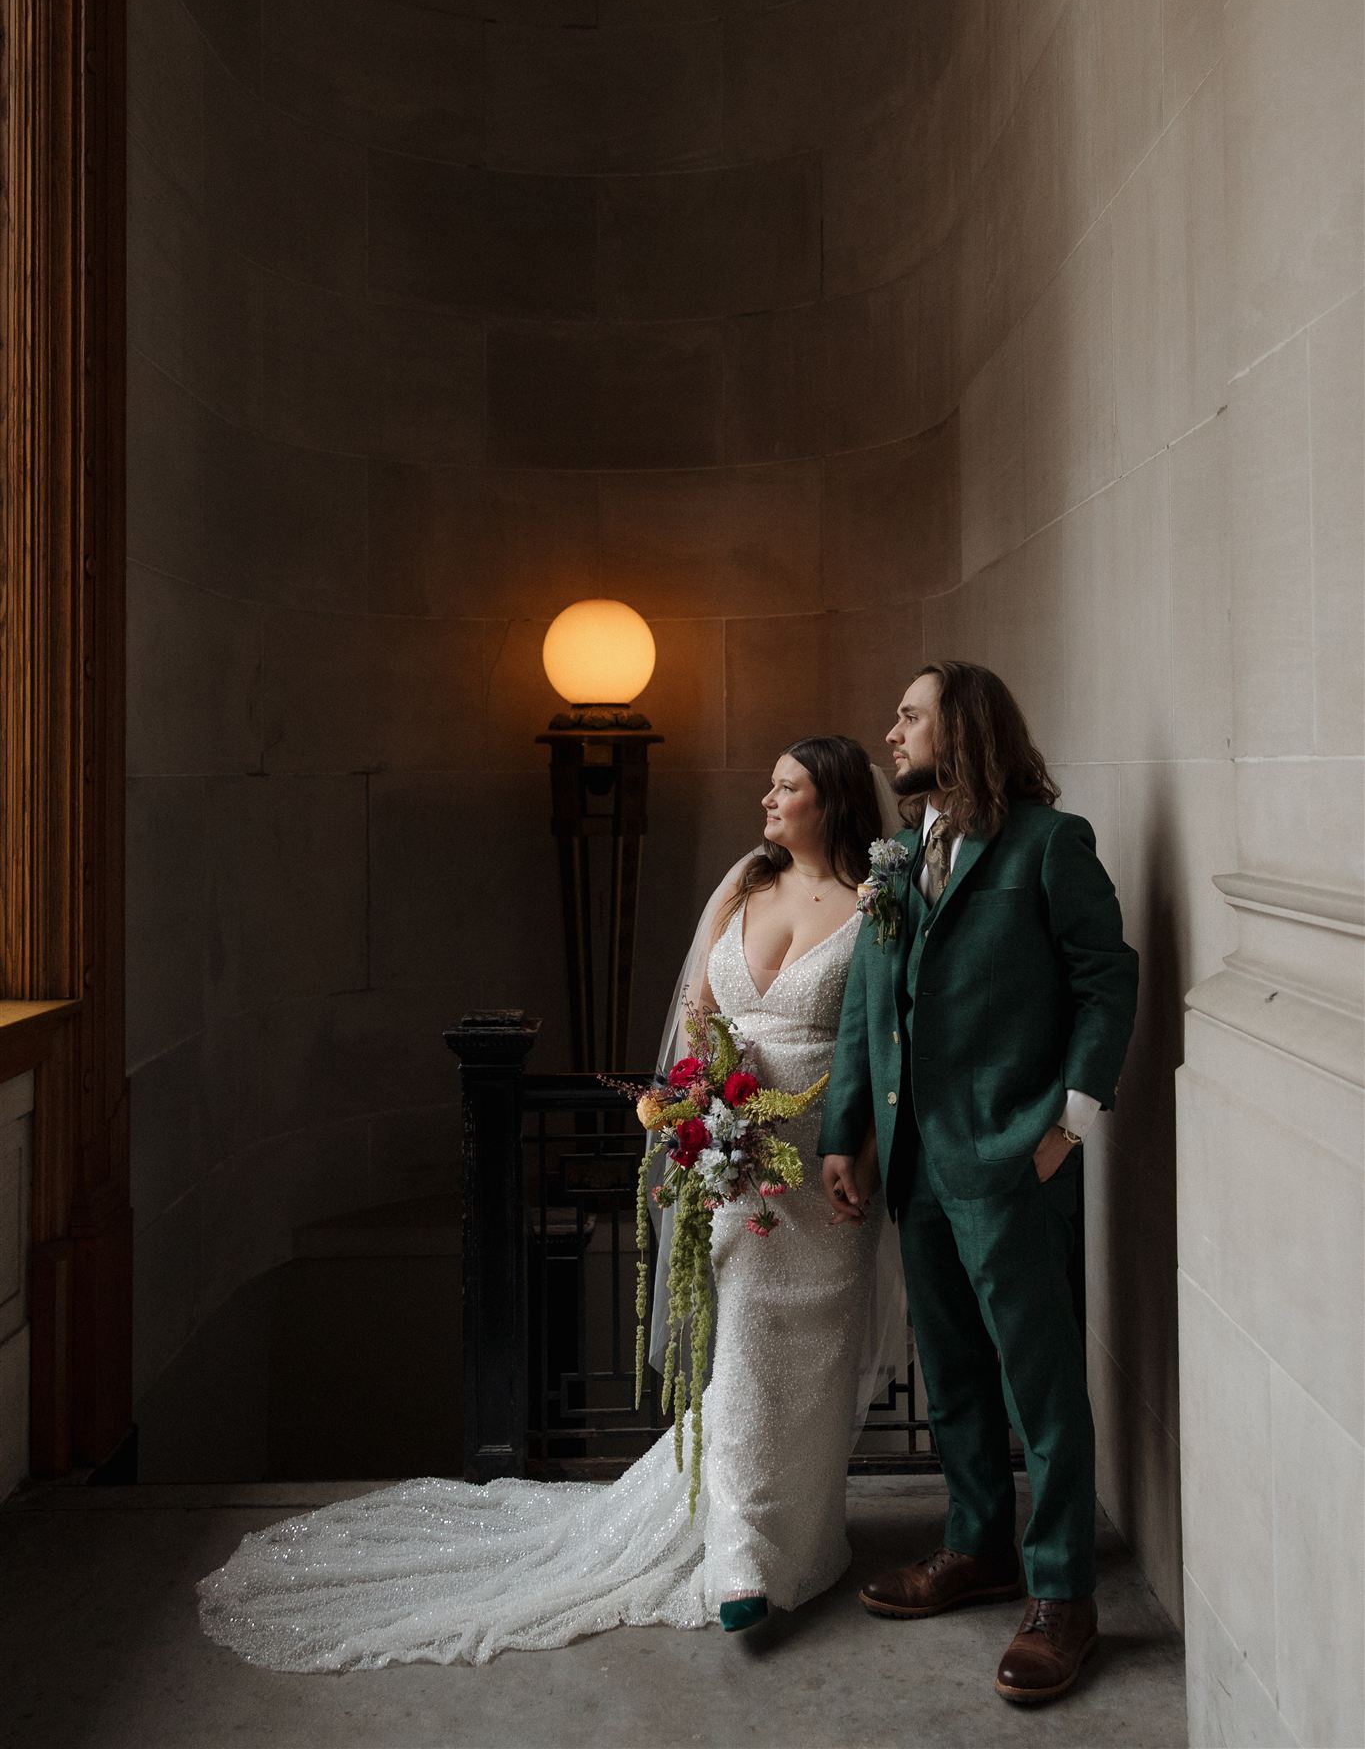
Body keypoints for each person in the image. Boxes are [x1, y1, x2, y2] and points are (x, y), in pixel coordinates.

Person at [197, 735, 905, 1670]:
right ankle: (739, 1556)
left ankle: (799, 1541)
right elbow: (697, 1015)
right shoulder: (744, 883)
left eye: (788, 787)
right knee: (742, 1343)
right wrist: (697, 1109)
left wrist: (852, 1142)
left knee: (806, 1366)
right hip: (730, 1159)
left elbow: (880, 1038)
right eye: (770, 784)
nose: (766, 799)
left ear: (834, 800)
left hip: (820, 1168)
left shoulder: (873, 905)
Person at [819, 662, 1138, 1707]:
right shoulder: (902, 857)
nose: (892, 728)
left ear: (963, 727)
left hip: (1012, 1160)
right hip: (916, 1162)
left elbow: (1107, 980)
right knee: (951, 1372)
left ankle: (1062, 1597)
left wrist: (1068, 1123)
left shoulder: (1051, 845)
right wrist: (848, 1130)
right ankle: (977, 1546)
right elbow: (875, 998)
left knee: (1037, 1385)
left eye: (909, 713)